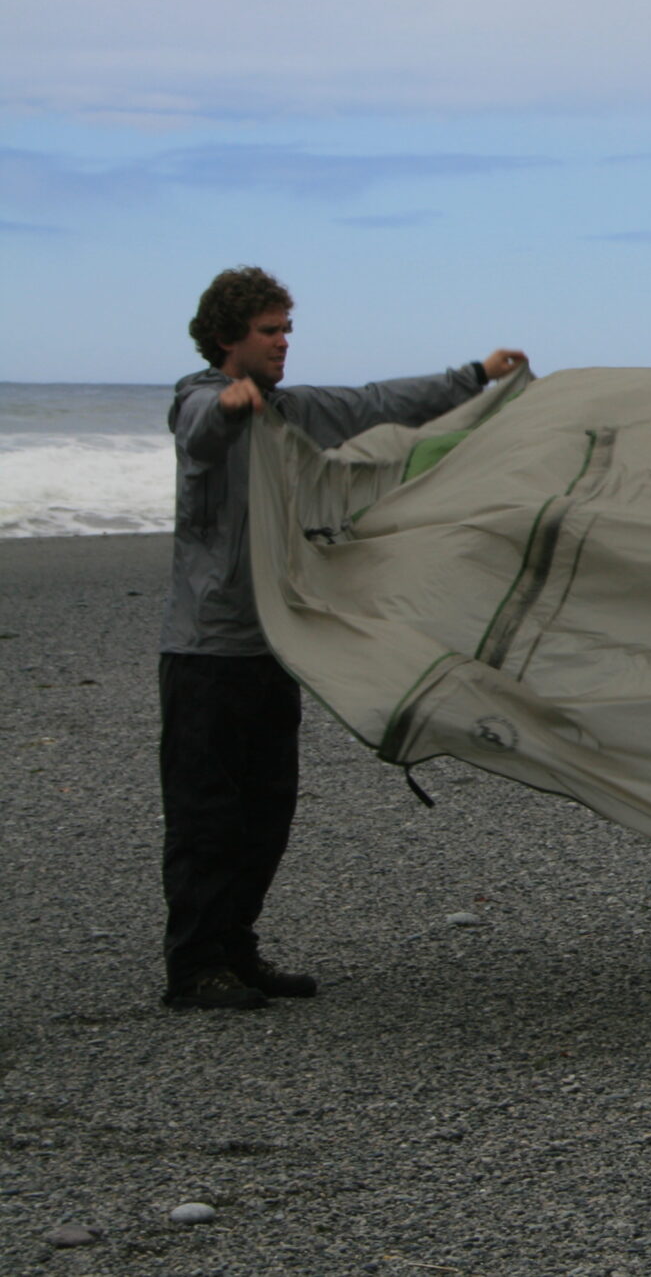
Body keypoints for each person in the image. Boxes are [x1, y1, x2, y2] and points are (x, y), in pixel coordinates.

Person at [160, 265, 529, 1011]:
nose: (283, 342)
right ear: (229, 336)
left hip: (276, 642)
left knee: (268, 810)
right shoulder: (200, 400)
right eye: (269, 330)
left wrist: (475, 376)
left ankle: (237, 947)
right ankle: (195, 964)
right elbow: (201, 432)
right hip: (206, 652)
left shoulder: (289, 408)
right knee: (207, 815)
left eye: (287, 328)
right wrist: (230, 407)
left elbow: (375, 404)